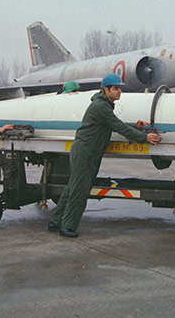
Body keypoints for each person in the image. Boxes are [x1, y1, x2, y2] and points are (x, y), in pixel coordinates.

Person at [48, 73, 160, 237]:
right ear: (105, 90)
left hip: (88, 152)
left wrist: (135, 126)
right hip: (86, 152)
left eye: (120, 88)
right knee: (80, 190)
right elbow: (117, 126)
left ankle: (55, 222)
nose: (119, 92)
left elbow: (113, 123)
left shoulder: (104, 105)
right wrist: (144, 137)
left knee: (73, 187)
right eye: (115, 88)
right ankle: (67, 227)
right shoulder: (100, 107)